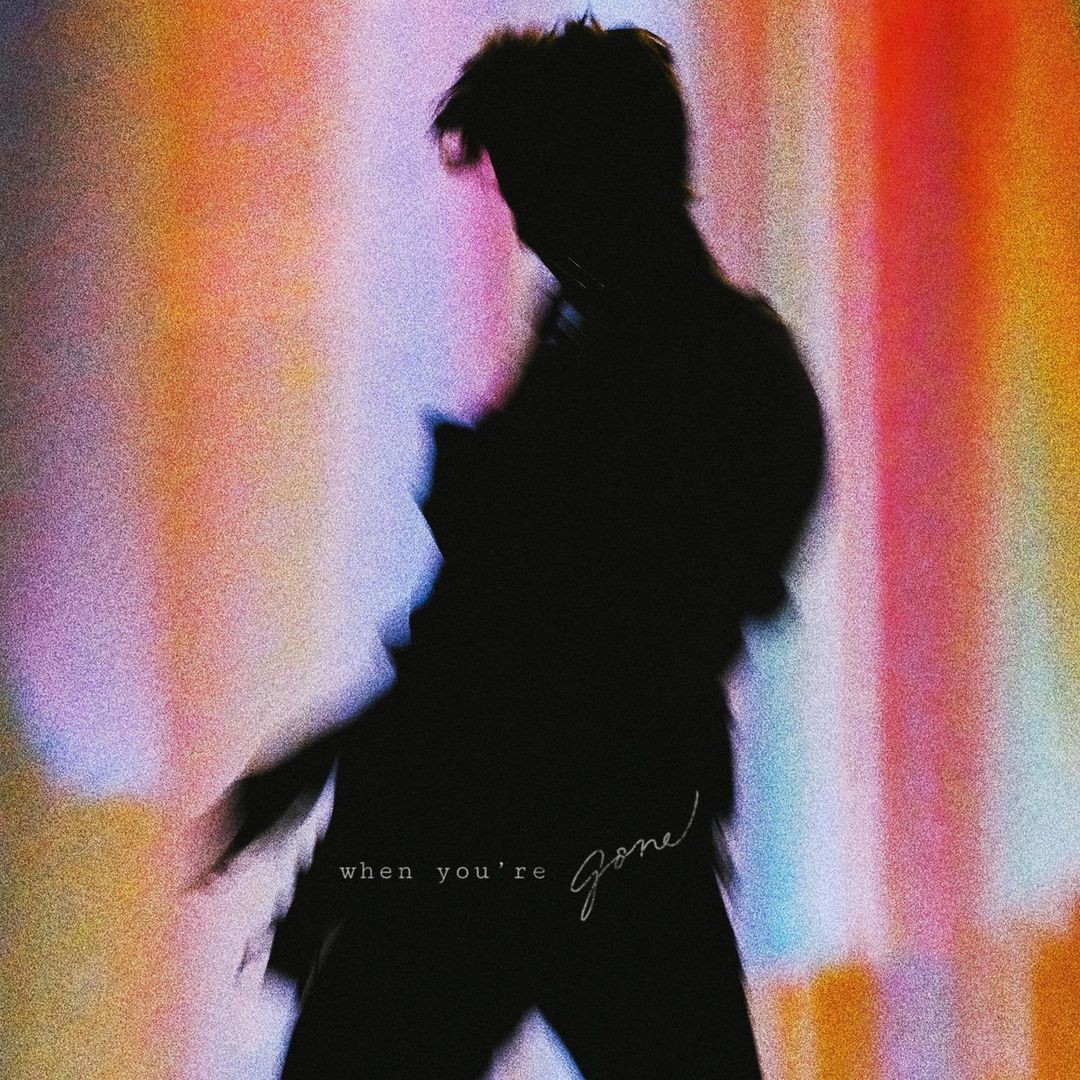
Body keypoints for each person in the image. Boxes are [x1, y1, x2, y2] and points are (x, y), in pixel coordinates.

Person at [205, 15, 825, 1078]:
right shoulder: (680, 359)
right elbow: (524, 631)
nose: (528, 228)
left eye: (538, 190)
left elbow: (534, 644)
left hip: (534, 845)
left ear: (609, 175)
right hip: (596, 845)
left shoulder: (666, 366)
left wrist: (339, 779)